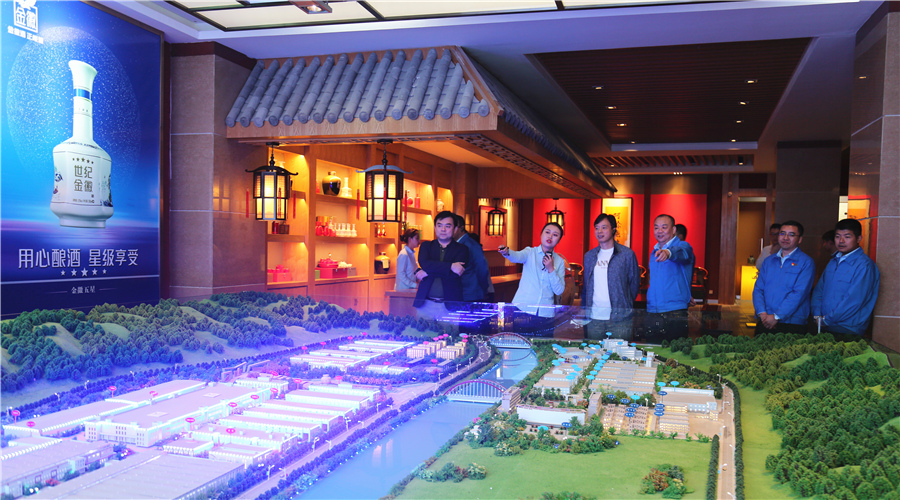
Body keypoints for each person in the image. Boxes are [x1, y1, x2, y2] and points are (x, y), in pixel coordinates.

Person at [811, 219, 880, 335]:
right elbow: (819, 290)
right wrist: (817, 315)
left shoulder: (864, 265)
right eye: (837, 236)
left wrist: (827, 320)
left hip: (848, 327)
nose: (841, 241)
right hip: (824, 324)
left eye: (847, 237)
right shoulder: (833, 261)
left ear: (858, 239)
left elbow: (854, 300)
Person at [582, 213, 640, 338]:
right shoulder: (589, 256)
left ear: (613, 229)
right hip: (594, 318)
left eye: (604, 227)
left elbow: (634, 284)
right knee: (594, 350)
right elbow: (586, 287)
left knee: (620, 350)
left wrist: (625, 304)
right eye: (597, 228)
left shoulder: (627, 255)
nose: (599, 231)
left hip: (620, 318)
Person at [751, 220, 814, 334]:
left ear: (799, 239)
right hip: (765, 319)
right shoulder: (769, 261)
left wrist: (777, 316)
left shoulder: (806, 262)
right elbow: (758, 289)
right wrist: (762, 313)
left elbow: (799, 293)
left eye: (791, 235)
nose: (785, 238)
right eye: (782, 233)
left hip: (792, 323)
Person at [499, 222, 566, 328]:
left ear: (559, 240)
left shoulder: (560, 261)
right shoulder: (530, 252)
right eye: (547, 232)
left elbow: (559, 290)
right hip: (523, 309)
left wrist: (551, 269)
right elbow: (517, 256)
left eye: (555, 235)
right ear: (541, 234)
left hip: (545, 314)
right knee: (521, 338)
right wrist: (507, 252)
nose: (550, 236)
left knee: (544, 339)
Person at [413, 211, 469, 320]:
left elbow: (455, 274)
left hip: (450, 306)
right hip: (425, 304)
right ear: (435, 227)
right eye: (439, 225)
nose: (443, 229)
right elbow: (424, 263)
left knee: (449, 332)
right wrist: (450, 266)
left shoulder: (462, 249)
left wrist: (428, 270)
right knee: (421, 331)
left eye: (447, 226)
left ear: (455, 229)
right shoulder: (426, 246)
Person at [645, 214, 694, 338]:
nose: (659, 231)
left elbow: (682, 253)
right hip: (653, 310)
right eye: (656, 227)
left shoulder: (683, 246)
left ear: (673, 230)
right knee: (653, 348)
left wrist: (668, 253)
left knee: (676, 348)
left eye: (664, 227)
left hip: (675, 311)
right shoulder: (654, 252)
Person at [453, 214, 491, 302]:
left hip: (470, 293)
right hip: (459, 292)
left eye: (453, 227)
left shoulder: (471, 245)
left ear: (461, 228)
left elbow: (481, 269)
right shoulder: (453, 244)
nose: (449, 230)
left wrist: (484, 289)